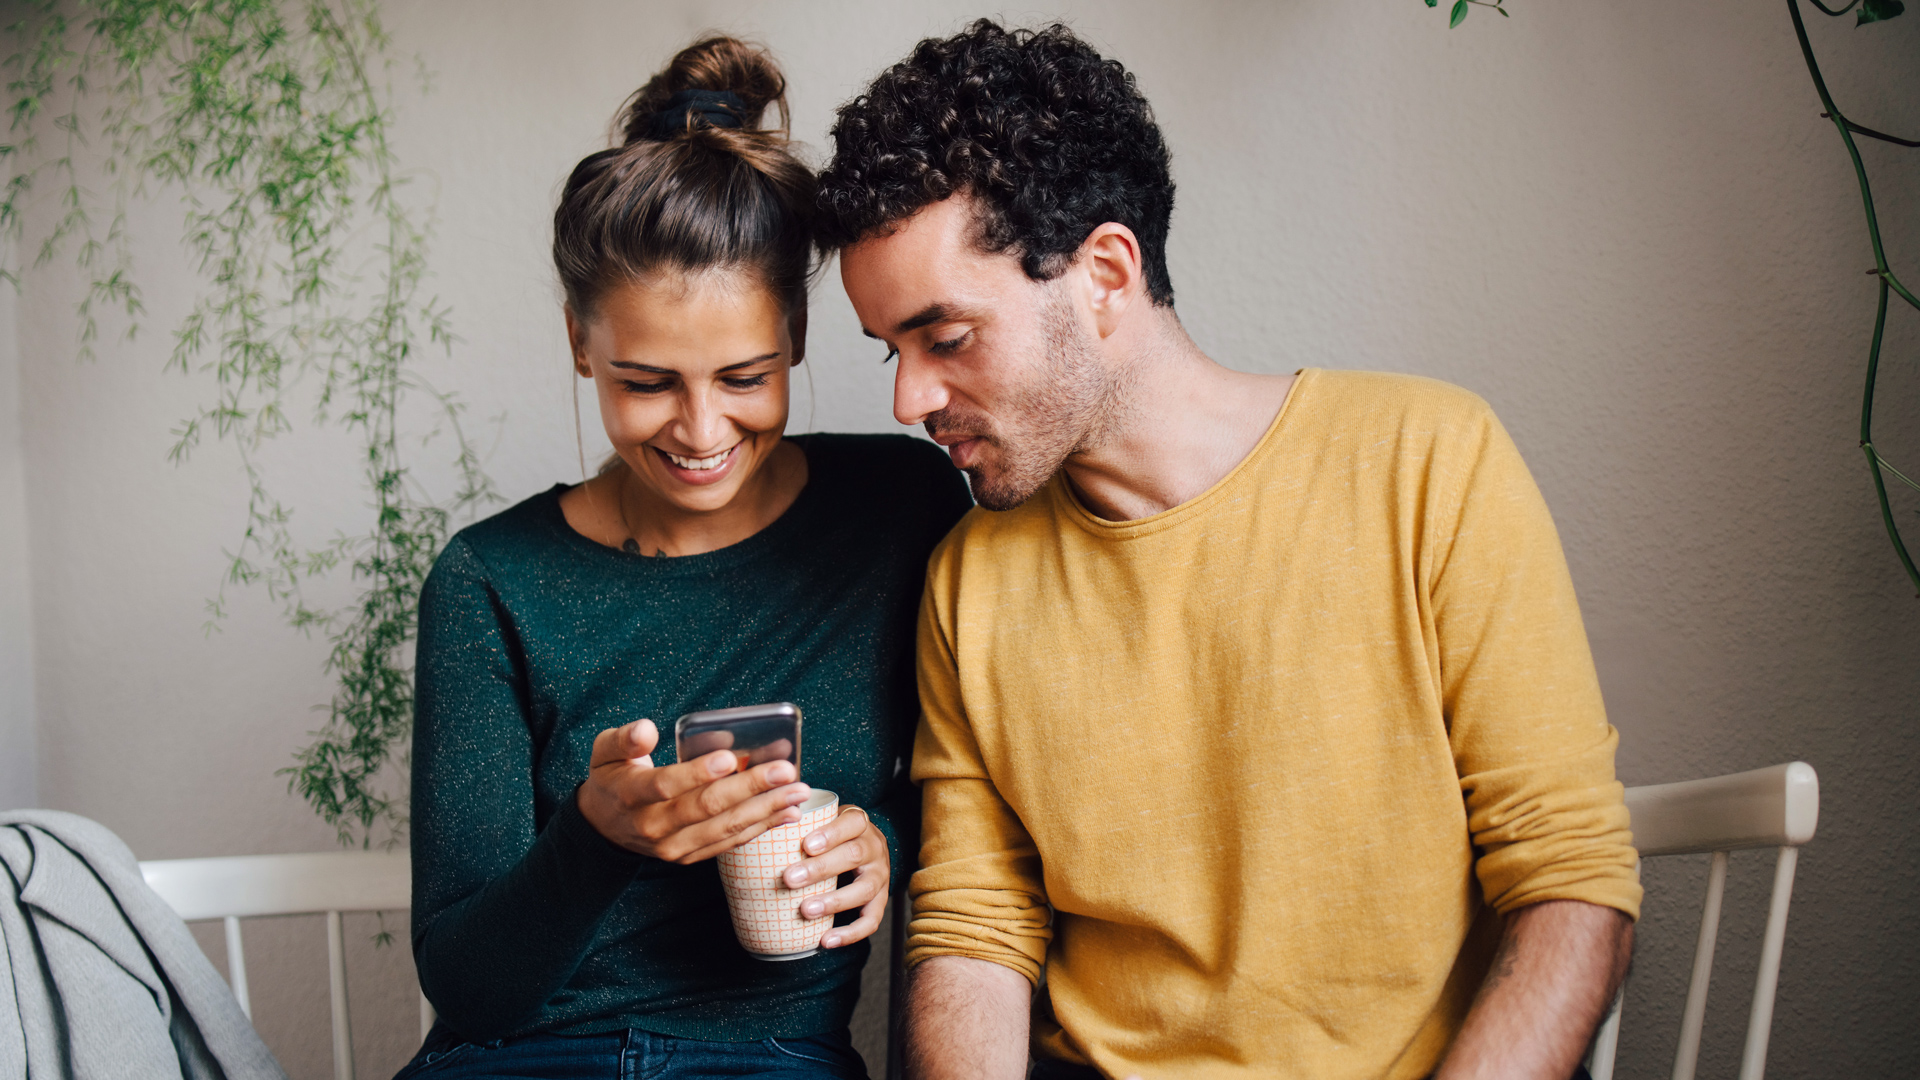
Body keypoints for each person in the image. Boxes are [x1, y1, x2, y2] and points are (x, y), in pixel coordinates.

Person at [815, 21, 1642, 1080]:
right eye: (893, 351)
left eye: (947, 338)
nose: (908, 398)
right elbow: (978, 929)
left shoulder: (1428, 460)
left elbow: (1573, 882)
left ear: (1105, 273)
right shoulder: (971, 580)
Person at [398, 35, 971, 1080]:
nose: (701, 431)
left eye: (743, 376)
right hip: (520, 1058)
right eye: (646, 381)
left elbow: (983, 783)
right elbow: (469, 986)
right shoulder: (488, 580)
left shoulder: (901, 511)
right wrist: (596, 837)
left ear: (797, 330)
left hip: (769, 1054)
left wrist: (884, 837)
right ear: (581, 344)